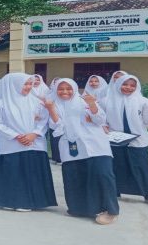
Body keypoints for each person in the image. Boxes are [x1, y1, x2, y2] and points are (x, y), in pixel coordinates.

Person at [45, 78, 119, 225]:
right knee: (76, 177)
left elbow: (100, 120)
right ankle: (80, 208)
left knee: (103, 175)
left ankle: (110, 211)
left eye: (68, 88)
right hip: (71, 145)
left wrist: (92, 104)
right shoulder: (54, 104)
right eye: (61, 89)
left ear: (74, 88)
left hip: (96, 145)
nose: (65, 92)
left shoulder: (84, 101)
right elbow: (56, 126)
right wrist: (51, 109)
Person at [0, 73, 57, 211]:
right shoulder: (1, 104)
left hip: (35, 143)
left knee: (33, 172)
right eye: (25, 84)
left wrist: (34, 134)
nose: (28, 87)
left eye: (29, 84)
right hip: (12, 144)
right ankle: (12, 201)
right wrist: (16, 136)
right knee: (14, 173)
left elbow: (44, 120)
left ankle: (34, 202)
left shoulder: (37, 102)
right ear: (13, 85)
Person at [106, 74, 148, 204]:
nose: (128, 88)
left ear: (137, 87)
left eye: (132, 85)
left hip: (138, 140)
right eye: (125, 84)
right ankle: (115, 191)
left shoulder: (143, 101)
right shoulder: (107, 100)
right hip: (116, 140)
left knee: (141, 166)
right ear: (118, 84)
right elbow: (101, 119)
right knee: (117, 166)